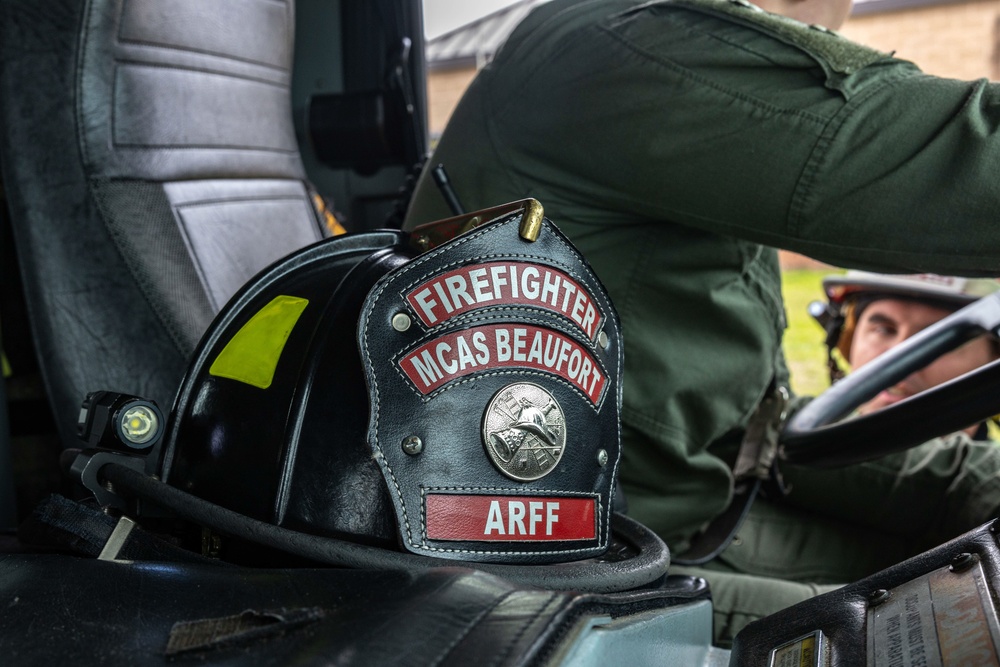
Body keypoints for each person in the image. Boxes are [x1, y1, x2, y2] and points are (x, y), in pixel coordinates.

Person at [404, 0, 1000, 644]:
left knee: (974, 496)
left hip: (713, 479)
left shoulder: (623, 37)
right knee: (946, 636)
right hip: (593, 554)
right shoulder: (644, 47)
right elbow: (962, 162)